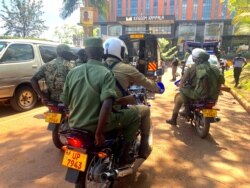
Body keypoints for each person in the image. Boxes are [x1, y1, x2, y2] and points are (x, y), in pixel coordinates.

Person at [60, 37, 140, 164]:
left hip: (75, 125)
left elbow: (65, 101)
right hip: (97, 126)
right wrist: (98, 133)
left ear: (86, 52)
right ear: (102, 52)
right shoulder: (105, 73)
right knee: (135, 115)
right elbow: (107, 104)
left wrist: (74, 116)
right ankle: (124, 154)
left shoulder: (73, 72)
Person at [103, 37, 163, 159]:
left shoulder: (98, 67)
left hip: (94, 111)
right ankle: (142, 148)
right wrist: (157, 88)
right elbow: (145, 81)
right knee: (145, 110)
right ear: (120, 52)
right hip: (111, 113)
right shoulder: (126, 68)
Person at [179, 48, 224, 117]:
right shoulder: (216, 69)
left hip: (199, 95)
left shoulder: (192, 67)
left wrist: (180, 85)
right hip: (213, 97)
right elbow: (222, 82)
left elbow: (183, 81)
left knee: (182, 90)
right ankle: (212, 115)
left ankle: (187, 111)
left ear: (197, 59)